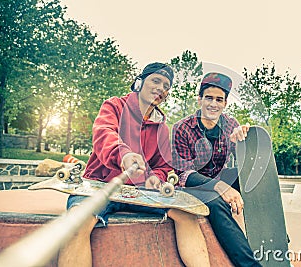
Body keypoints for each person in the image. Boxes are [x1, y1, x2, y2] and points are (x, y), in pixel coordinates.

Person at [58, 62, 210, 267]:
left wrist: (156, 178)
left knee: (186, 215)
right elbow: (103, 133)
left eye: (166, 85)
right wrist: (123, 154)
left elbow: (163, 166)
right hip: (100, 185)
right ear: (139, 82)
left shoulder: (163, 130)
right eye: (155, 80)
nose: (160, 88)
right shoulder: (114, 106)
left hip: (138, 192)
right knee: (75, 222)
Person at [172, 72, 261, 267]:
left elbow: (243, 164)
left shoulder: (231, 124)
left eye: (219, 100)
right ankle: (249, 264)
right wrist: (219, 186)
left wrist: (243, 142)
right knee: (215, 202)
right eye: (209, 98)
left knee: (254, 179)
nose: (214, 104)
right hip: (191, 186)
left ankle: (274, 235)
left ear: (225, 103)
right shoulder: (181, 128)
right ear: (200, 100)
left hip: (219, 178)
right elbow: (183, 175)